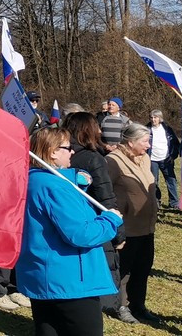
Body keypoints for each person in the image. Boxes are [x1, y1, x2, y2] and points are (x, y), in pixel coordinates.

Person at [17, 127, 123, 336]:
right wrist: (111, 220)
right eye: (68, 147)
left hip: (44, 276)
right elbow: (80, 233)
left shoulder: (33, 180)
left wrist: (75, 185)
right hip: (70, 282)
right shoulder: (55, 187)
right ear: (53, 152)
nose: (73, 152)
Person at [61, 112, 122, 319]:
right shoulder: (92, 158)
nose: (99, 131)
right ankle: (104, 306)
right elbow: (106, 197)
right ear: (88, 130)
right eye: (96, 126)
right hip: (94, 223)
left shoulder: (61, 154)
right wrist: (118, 232)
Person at [106, 122, 159, 323]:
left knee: (143, 267)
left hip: (147, 225)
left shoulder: (145, 158)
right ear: (130, 142)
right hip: (127, 227)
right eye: (145, 141)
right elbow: (104, 192)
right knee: (125, 269)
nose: (148, 145)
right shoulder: (112, 161)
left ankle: (138, 305)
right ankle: (121, 306)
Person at [147, 109, 181, 210]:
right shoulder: (146, 129)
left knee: (171, 181)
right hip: (152, 159)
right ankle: (156, 201)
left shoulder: (167, 129)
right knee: (154, 181)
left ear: (160, 118)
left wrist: (172, 156)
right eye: (151, 117)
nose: (153, 119)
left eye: (155, 117)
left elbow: (175, 144)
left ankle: (174, 202)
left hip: (166, 159)